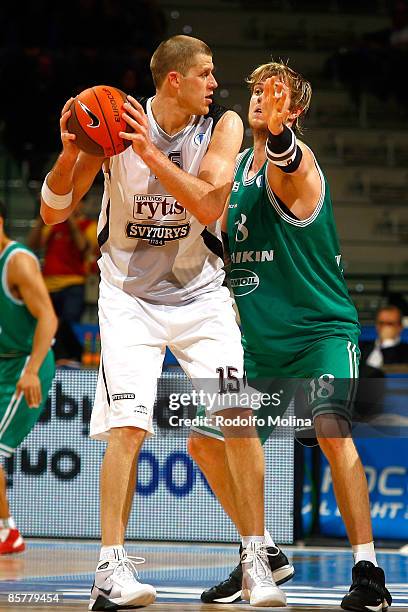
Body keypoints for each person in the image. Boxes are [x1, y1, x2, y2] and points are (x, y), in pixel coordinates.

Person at [40, 35, 289, 611]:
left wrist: (150, 154)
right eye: (204, 74)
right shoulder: (115, 120)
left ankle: (256, 559)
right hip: (129, 299)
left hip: (202, 297)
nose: (214, 82)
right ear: (173, 80)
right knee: (128, 426)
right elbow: (54, 212)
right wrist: (72, 150)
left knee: (236, 414)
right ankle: (110, 568)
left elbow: (207, 205)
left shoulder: (221, 126)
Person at [189, 62, 392, 612]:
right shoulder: (236, 176)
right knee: (203, 443)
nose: (258, 100)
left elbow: (287, 157)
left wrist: (279, 134)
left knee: (330, 428)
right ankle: (264, 555)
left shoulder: (293, 166)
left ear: (293, 111)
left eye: (272, 96)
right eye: (255, 92)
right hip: (259, 347)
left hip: (320, 334)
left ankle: (367, 571)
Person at [0, 201, 57, 555]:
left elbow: (48, 319)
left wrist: (33, 370)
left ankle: (7, 531)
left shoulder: (18, 262)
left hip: (25, 363)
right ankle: (7, 529)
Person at [27, 199, 97, 367]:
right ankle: (57, 358)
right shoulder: (53, 225)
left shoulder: (89, 225)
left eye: (77, 202)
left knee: (68, 322)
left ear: (83, 204)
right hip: (48, 284)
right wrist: (43, 215)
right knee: (48, 324)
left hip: (74, 283)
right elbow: (32, 245)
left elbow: (83, 247)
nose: (73, 205)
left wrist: (70, 218)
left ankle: (72, 356)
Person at [360, 305, 408, 375]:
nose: (385, 328)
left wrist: (387, 342)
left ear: (400, 327)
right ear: (376, 325)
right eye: (381, 323)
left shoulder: (405, 351)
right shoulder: (362, 347)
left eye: (390, 324)